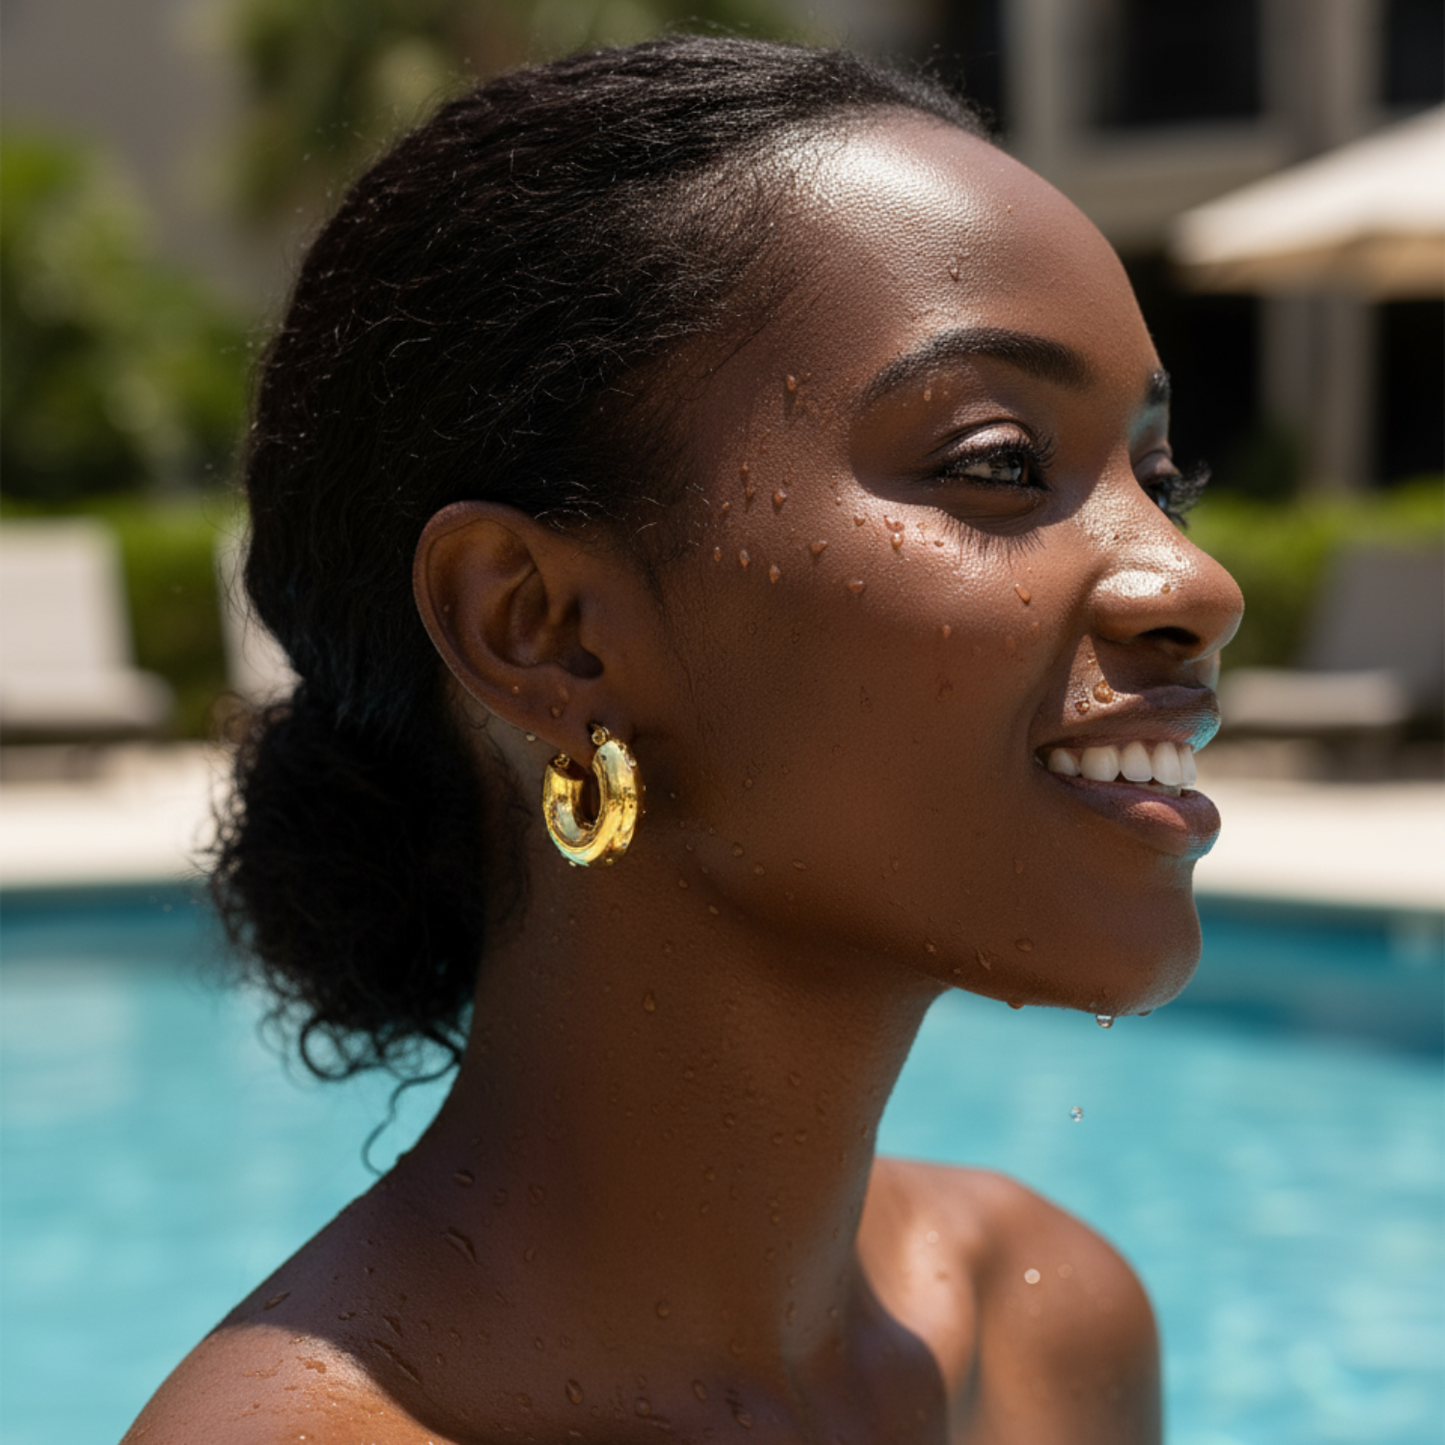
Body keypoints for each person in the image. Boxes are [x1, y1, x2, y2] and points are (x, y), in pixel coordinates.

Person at [126, 36, 1242, 1444]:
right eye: (1003, 462)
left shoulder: (1048, 1334)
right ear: (542, 629)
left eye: (1158, 479)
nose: (1197, 585)